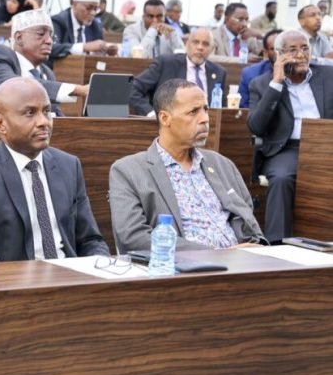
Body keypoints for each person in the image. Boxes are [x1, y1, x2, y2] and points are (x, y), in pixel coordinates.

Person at [0, 77, 110, 261]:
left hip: (68, 273)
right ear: (0, 124)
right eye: (30, 113)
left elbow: (90, 240)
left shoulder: (69, 165)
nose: (44, 122)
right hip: (15, 277)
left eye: (47, 111)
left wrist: (103, 267)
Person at [110, 79, 266, 253]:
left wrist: (256, 249)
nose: (205, 119)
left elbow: (249, 224)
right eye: (193, 112)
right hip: (182, 265)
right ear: (165, 118)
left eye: (205, 109)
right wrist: (216, 254)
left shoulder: (222, 164)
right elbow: (132, 238)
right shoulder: (128, 171)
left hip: (243, 261)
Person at [247, 29, 333, 243]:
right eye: (293, 50)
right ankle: (277, 244)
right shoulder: (262, 84)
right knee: (281, 178)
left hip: (326, 145)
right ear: (279, 55)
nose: (301, 54)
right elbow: (256, 126)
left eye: (305, 48)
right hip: (287, 149)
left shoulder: (329, 76)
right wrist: (277, 82)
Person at [0, 8, 89, 116]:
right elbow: (15, 87)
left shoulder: (47, 73)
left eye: (51, 36)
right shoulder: (0, 55)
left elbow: (56, 114)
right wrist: (78, 90)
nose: (49, 41)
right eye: (41, 34)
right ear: (19, 38)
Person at [130, 27, 226, 116]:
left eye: (205, 44)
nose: (200, 47)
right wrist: (151, 114)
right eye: (196, 42)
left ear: (211, 49)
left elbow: (222, 106)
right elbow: (133, 89)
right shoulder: (166, 63)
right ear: (187, 44)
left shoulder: (219, 72)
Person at [50, 0, 116, 59]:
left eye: (96, 9)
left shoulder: (95, 26)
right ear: (75, 5)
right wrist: (84, 47)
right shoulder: (59, 21)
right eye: (89, 8)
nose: (93, 13)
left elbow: (96, 53)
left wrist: (105, 51)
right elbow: (52, 48)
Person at [238, 28, 281, 108]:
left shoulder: (301, 71)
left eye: (282, 47)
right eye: (274, 49)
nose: (278, 52)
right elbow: (244, 108)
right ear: (265, 52)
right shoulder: (251, 74)